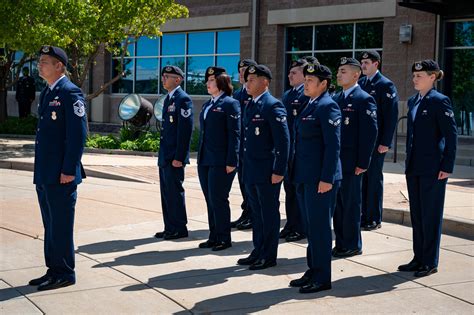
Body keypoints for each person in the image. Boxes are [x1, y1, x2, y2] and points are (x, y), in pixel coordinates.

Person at [29, 45, 87, 291]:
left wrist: (69, 169)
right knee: (50, 224)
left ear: (59, 66)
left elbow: (78, 136)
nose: (40, 65)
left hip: (61, 174)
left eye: (44, 61)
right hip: (45, 172)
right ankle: (53, 270)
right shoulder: (47, 92)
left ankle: (65, 272)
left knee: (61, 225)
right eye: (40, 61)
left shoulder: (70, 92)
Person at [398, 60, 457, 277]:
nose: (415, 79)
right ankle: (418, 257)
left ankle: (430, 261)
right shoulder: (414, 101)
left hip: (434, 167)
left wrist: (447, 165)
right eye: (414, 76)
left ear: (432, 77)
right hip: (414, 166)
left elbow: (451, 136)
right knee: (418, 215)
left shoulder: (440, 101)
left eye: (420, 76)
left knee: (430, 215)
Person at [289, 63, 342, 293]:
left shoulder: (328, 106)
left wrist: (327, 178)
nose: (306, 83)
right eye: (306, 79)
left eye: (311, 81)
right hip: (305, 177)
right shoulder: (309, 104)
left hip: (321, 179)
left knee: (320, 229)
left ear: (323, 84)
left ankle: (322, 277)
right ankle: (313, 269)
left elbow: (333, 146)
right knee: (311, 228)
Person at [237, 64, 290, 270]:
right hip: (251, 170)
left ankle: (268, 255)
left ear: (265, 82)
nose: (247, 83)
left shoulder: (273, 105)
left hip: (268, 172)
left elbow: (283, 143)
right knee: (256, 214)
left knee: (268, 213)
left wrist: (279, 171)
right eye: (247, 79)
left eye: (251, 80)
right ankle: (258, 250)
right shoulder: (251, 104)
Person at [332, 57, 378, 258]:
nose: (339, 74)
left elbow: (370, 134)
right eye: (339, 71)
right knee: (339, 205)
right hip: (337, 161)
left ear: (356, 74)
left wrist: (363, 162)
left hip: (352, 163)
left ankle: (352, 244)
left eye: (343, 71)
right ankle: (341, 242)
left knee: (351, 204)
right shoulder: (336, 98)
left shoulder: (364, 98)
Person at [197, 66, 240, 251]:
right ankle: (213, 235)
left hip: (221, 160)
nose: (208, 83)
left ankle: (224, 237)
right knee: (210, 199)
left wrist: (232, 161)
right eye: (207, 81)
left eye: (211, 81)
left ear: (221, 83)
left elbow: (235, 134)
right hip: (205, 159)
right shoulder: (208, 104)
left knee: (219, 198)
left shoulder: (230, 103)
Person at [359, 50, 399, 231]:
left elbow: (391, 116)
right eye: (362, 62)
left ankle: (374, 217)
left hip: (376, 143)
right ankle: (362, 214)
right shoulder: (360, 83)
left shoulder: (385, 85)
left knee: (373, 178)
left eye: (367, 62)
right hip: (361, 142)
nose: (363, 65)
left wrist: (386, 142)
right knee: (361, 179)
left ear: (377, 64)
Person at [155, 65, 193, 240]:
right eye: (163, 76)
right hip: (166, 156)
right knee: (166, 194)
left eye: (167, 76)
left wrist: (180, 157)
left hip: (174, 157)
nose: (163, 79)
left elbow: (185, 132)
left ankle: (179, 227)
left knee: (175, 193)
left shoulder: (182, 99)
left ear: (178, 79)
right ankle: (169, 226)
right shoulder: (169, 99)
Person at [279, 59, 309, 243]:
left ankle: (301, 227)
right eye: (290, 73)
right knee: (289, 190)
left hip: (300, 150)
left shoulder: (307, 95)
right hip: (288, 150)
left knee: (299, 192)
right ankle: (291, 224)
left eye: (294, 73)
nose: (289, 75)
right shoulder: (287, 95)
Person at [231, 58, 258, 230]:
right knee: (242, 182)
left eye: (246, 71)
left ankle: (252, 214)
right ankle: (246, 212)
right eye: (240, 71)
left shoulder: (253, 94)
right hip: (240, 146)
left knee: (251, 184)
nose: (242, 74)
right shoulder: (237, 95)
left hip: (252, 147)